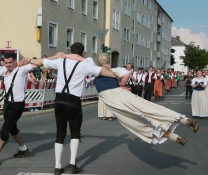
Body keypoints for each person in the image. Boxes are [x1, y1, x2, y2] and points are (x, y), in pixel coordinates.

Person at [70, 53, 199, 147]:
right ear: (109, 62)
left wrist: (60, 57)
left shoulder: (95, 70)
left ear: (99, 62)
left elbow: (81, 58)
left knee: (136, 121)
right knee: (149, 109)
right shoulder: (116, 70)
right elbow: (127, 74)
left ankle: (175, 137)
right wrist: (120, 84)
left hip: (111, 99)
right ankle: (184, 120)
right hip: (121, 93)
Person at [29, 42, 117, 175]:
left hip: (59, 100)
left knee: (60, 133)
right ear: (82, 53)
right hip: (74, 101)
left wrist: (28, 60)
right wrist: (117, 76)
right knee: (75, 132)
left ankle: (57, 166)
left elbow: (41, 61)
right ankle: (72, 163)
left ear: (70, 51)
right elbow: (102, 71)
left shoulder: (60, 61)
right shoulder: (84, 64)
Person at [0, 53, 37, 167]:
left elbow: (37, 64)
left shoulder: (22, 70)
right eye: (6, 63)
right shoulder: (3, 71)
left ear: (15, 62)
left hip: (17, 105)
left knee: (4, 130)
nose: (8, 65)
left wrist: (30, 59)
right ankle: (23, 149)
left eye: (10, 63)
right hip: (7, 104)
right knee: (12, 128)